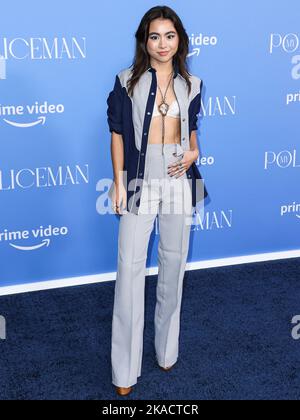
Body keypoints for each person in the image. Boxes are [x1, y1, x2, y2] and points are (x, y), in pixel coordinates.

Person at [106, 5, 209, 396]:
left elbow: (193, 130)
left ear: (178, 39)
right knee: (129, 270)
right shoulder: (125, 81)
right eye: (154, 36)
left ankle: (167, 351)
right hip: (139, 177)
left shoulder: (194, 83)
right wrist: (118, 183)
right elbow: (117, 132)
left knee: (173, 266)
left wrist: (194, 153)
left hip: (180, 177)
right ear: (144, 41)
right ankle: (124, 372)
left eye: (169, 35)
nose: (162, 44)